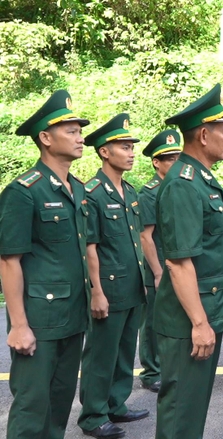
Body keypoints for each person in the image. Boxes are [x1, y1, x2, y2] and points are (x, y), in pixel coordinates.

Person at [154, 83, 223, 439]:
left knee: (192, 410)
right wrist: (198, 322)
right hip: (189, 320)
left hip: (205, 310)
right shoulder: (183, 184)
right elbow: (179, 263)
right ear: (204, 134)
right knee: (182, 410)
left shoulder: (202, 179)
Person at [0, 90, 91, 439]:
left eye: (79, 130)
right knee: (32, 406)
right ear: (45, 137)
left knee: (59, 403)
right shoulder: (24, 191)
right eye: (70, 130)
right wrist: (18, 325)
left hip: (72, 316)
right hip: (39, 320)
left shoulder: (77, 189)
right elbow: (9, 261)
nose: (80, 136)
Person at [78, 113, 149, 438]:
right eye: (124, 146)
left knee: (123, 350)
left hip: (131, 286)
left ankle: (116, 405)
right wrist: (96, 291)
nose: (132, 151)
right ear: (105, 151)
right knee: (100, 354)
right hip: (107, 288)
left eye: (132, 146)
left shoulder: (130, 191)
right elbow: (90, 247)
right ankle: (94, 415)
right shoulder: (92, 193)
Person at [138, 129, 183, 393]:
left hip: (177, 266)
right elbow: (146, 237)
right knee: (153, 321)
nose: (176, 162)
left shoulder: (177, 188)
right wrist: (156, 272)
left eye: (179, 157)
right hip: (159, 268)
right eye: (170, 159)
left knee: (174, 319)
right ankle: (151, 371)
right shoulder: (149, 193)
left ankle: (169, 366)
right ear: (157, 162)